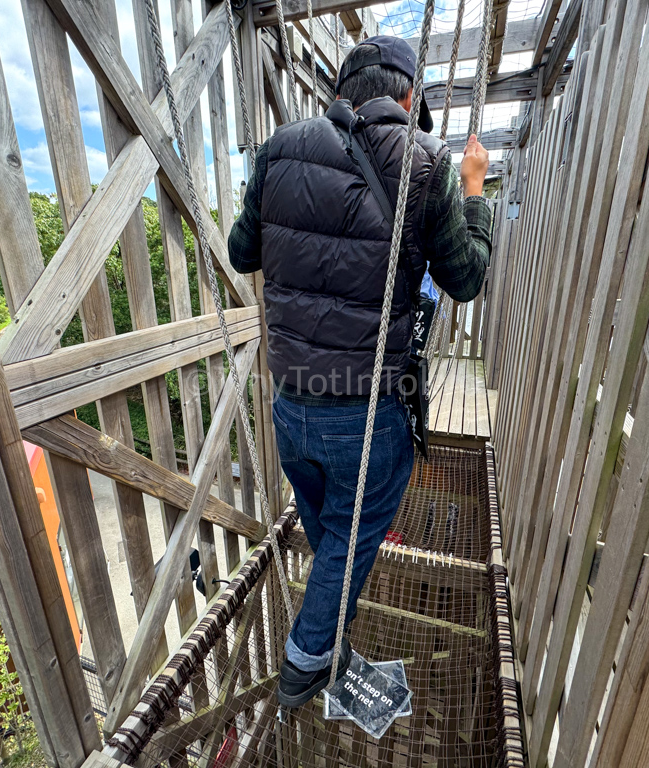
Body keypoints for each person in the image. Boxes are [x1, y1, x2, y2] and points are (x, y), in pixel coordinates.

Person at [228, 35, 492, 708]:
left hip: (289, 406)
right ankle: (309, 659)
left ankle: (334, 640)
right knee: (352, 538)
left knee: (331, 536)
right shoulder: (426, 161)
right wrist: (474, 194)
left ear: (339, 92)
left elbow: (240, 252)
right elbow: (464, 279)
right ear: (409, 98)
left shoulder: (279, 149)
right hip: (364, 415)